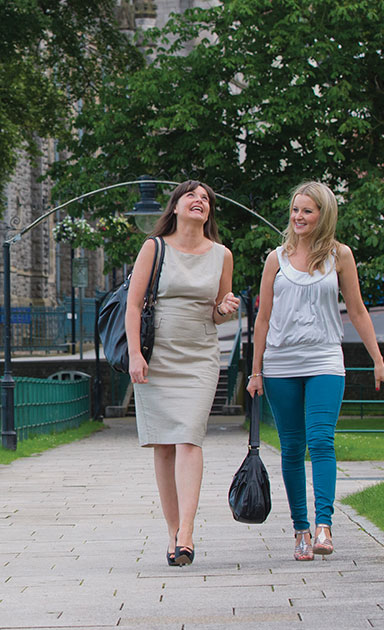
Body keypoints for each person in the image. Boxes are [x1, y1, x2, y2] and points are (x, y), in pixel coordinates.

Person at [246, 181, 384, 561]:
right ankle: (300, 530)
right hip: (280, 363)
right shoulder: (275, 258)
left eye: (307, 211)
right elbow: (262, 318)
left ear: (323, 215)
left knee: (321, 441)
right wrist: (255, 372)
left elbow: (359, 311)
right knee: (293, 447)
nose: (298, 217)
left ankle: (324, 524)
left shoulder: (340, 256)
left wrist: (378, 362)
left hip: (325, 360)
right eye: (295, 210)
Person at [126, 180, 240, 567]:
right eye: (191, 195)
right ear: (175, 207)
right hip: (157, 354)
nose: (199, 200)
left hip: (200, 356)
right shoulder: (154, 248)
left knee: (190, 437)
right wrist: (135, 356)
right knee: (163, 444)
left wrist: (225, 309)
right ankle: (173, 532)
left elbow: (217, 310)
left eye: (206, 197)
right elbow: (133, 305)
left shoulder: (222, 255)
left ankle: (187, 531)